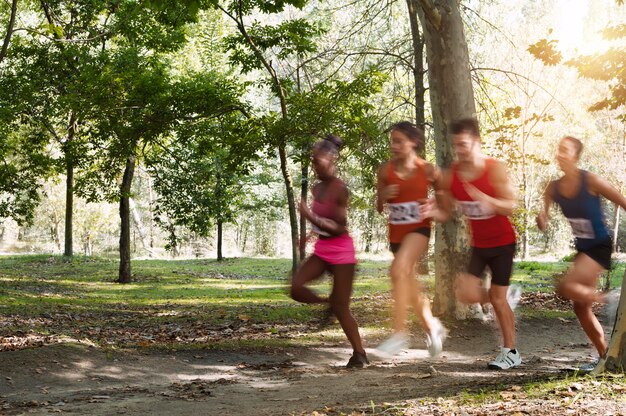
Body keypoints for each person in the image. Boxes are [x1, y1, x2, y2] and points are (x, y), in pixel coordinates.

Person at [433, 118, 522, 370]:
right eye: (456, 145)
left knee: (497, 298)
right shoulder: (453, 175)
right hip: (480, 245)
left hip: (503, 243)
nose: (459, 150)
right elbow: (446, 212)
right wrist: (430, 211)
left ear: (477, 142)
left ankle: (511, 352)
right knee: (466, 294)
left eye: (464, 144)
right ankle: (503, 297)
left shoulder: (494, 169)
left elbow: (511, 206)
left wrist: (488, 200)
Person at [536, 135, 626, 370]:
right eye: (559, 149)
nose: (561, 154)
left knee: (565, 286)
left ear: (575, 156)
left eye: (566, 150)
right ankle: (605, 357)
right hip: (583, 247)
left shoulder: (591, 181)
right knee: (580, 307)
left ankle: (610, 299)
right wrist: (542, 219)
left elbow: (622, 201)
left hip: (599, 245)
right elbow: (544, 215)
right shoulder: (553, 187)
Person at [290, 134, 368, 368]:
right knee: (296, 287)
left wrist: (310, 216)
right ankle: (328, 303)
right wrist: (308, 236)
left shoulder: (339, 189)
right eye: (313, 161)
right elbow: (322, 223)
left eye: (319, 161)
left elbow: (338, 227)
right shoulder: (316, 188)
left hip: (342, 253)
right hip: (323, 250)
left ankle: (360, 354)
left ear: (332, 160)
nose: (315, 165)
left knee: (342, 307)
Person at [375, 121, 447, 358]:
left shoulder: (427, 170)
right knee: (409, 284)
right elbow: (379, 206)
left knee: (398, 271)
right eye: (392, 141)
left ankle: (399, 334)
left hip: (419, 230)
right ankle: (432, 327)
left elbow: (447, 204)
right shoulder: (385, 171)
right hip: (396, 233)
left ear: (413, 142)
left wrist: (435, 209)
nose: (393, 146)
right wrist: (383, 196)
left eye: (399, 141)